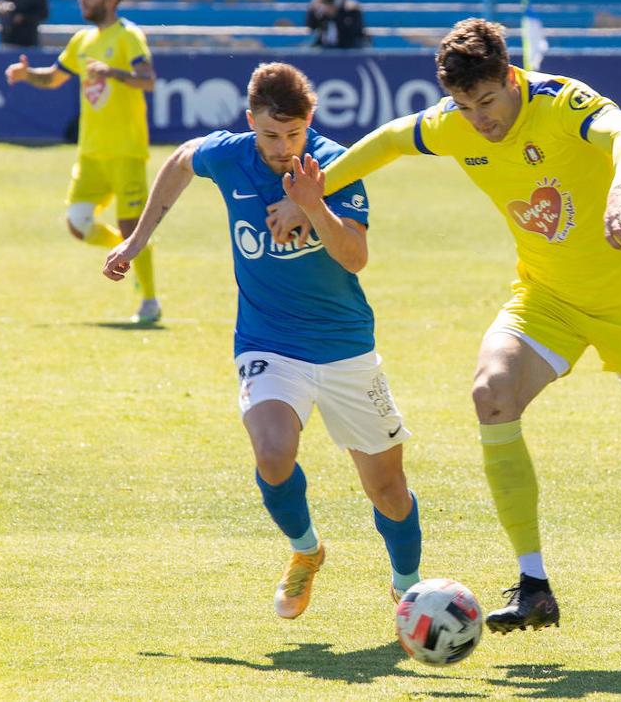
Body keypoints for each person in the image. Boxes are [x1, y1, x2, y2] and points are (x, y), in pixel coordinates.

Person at [276, 18, 621, 635]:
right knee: (491, 394)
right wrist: (313, 195)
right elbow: (393, 139)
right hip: (546, 298)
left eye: (486, 101)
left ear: (511, 78)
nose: (478, 119)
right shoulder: (456, 125)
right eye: (463, 105)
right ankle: (534, 584)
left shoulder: (561, 103)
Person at [101, 62, 423, 617]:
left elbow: (356, 257)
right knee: (273, 455)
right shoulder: (230, 154)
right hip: (268, 342)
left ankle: (409, 589)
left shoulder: (337, 165)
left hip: (347, 346)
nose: (282, 147)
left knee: (388, 490)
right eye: (271, 135)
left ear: (310, 123)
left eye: (294, 134)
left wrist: (312, 204)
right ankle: (306, 552)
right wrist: (137, 239)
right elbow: (180, 160)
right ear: (251, 122)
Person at [5, 0, 161, 323]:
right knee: (78, 223)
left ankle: (149, 300)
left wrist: (113, 73)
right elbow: (55, 77)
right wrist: (28, 74)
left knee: (130, 225)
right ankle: (126, 252)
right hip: (90, 153)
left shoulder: (129, 36)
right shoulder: (82, 40)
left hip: (126, 151)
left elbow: (148, 80)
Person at [305, 0, 369, 49]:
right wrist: (314, 6)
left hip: (348, 47)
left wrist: (335, 14)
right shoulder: (322, 10)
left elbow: (353, 32)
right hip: (325, 46)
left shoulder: (351, 9)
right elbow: (311, 26)